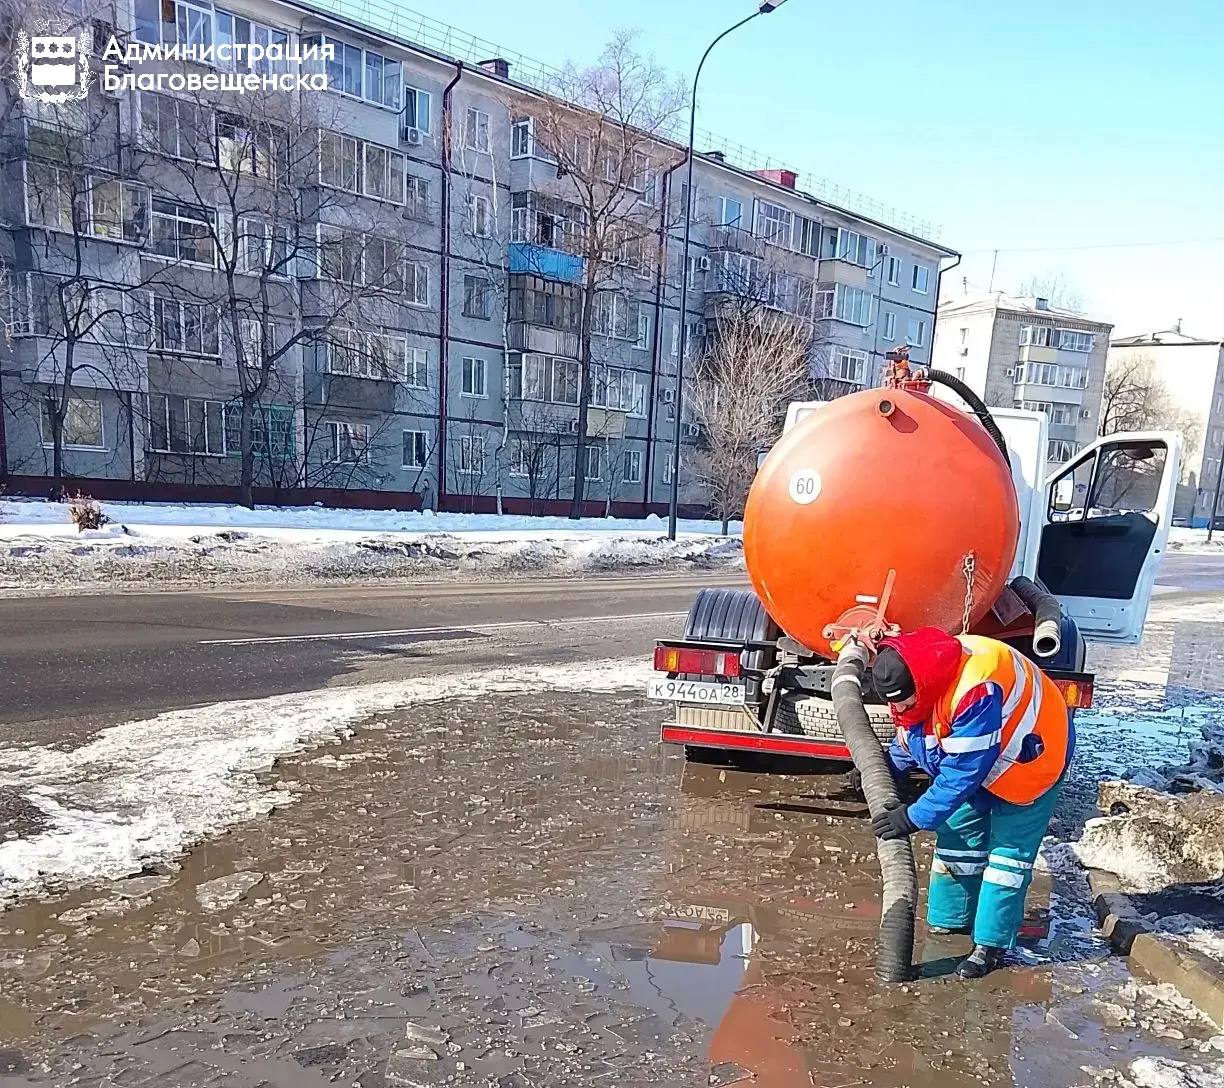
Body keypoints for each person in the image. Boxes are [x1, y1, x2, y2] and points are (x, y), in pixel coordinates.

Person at [867, 626, 1074, 979]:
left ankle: (990, 944)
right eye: (893, 703)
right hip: (986, 752)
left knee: (1007, 859)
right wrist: (888, 767)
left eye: (904, 702)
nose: (898, 709)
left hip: (1031, 758)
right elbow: (918, 731)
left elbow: (963, 772)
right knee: (958, 836)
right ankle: (952, 918)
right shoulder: (922, 673)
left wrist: (914, 816)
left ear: (924, 687)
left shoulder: (975, 689)